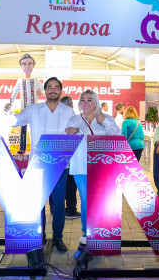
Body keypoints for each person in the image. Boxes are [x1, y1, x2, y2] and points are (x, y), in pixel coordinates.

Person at [8, 77, 74, 252]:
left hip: (60, 164)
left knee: (59, 203)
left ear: (61, 91)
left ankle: (58, 238)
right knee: (38, 203)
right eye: (50, 87)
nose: (53, 90)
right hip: (38, 164)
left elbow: (75, 132)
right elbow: (15, 121)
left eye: (56, 87)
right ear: (44, 91)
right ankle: (40, 236)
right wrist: (8, 112)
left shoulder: (68, 112)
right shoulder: (34, 109)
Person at [65, 90, 120, 246]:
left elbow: (117, 135)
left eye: (89, 100)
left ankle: (103, 230)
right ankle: (87, 231)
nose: (86, 103)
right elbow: (67, 140)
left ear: (96, 102)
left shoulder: (105, 118)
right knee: (86, 199)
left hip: (101, 166)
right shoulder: (74, 119)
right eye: (83, 100)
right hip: (80, 165)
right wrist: (69, 133)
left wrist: (105, 121)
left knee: (102, 199)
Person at [5, 53, 45, 153]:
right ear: (21, 66)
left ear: (33, 66)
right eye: (24, 64)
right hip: (24, 109)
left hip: (35, 109)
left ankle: (35, 147)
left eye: (29, 64)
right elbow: (14, 93)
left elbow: (45, 90)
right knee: (23, 129)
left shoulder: (35, 80)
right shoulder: (20, 80)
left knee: (35, 129)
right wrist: (10, 103)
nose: (27, 66)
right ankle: (22, 148)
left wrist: (41, 93)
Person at [60, 96, 80, 219]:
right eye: (71, 104)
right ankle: (70, 209)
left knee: (65, 184)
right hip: (70, 156)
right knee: (71, 183)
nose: (72, 106)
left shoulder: (59, 118)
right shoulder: (71, 118)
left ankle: (60, 209)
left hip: (61, 155)